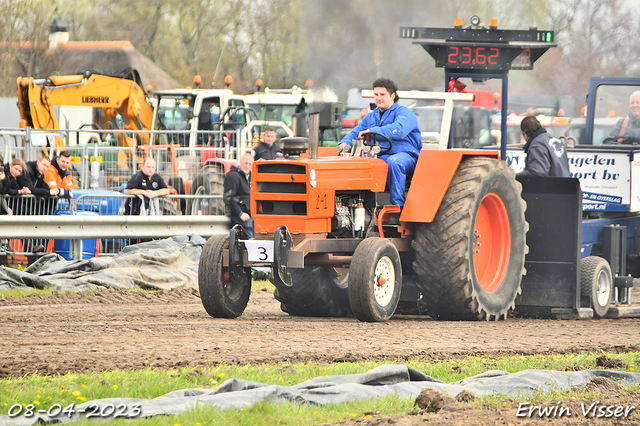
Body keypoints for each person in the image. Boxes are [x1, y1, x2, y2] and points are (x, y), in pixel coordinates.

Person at [338, 78, 422, 206]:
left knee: (394, 162)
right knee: (360, 162)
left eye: (382, 94)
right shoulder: (371, 116)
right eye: (376, 94)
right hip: (381, 156)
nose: (378, 98)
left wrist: (372, 131)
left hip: (406, 156)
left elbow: (398, 130)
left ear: (393, 96)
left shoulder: (405, 114)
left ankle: (397, 206)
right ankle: (359, 204)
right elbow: (355, 132)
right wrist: (345, 143)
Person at [223, 153, 254, 238]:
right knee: (249, 227)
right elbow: (228, 198)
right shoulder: (233, 176)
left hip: (250, 214)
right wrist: (240, 213)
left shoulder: (251, 177)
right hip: (237, 214)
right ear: (240, 163)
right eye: (245, 163)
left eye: (249, 164)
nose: (247, 166)